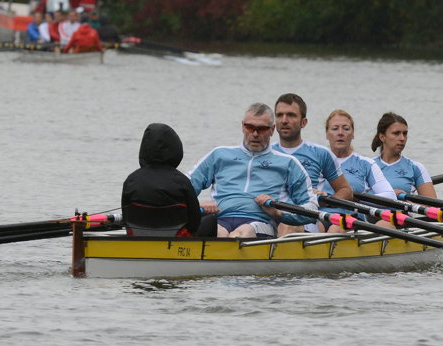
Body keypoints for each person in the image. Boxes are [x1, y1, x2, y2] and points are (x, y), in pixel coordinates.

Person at [189, 103, 317, 238]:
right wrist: (199, 208)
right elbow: (183, 188)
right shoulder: (219, 154)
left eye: (261, 129)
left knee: (242, 234)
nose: (255, 134)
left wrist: (277, 213)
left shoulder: (288, 163)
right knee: (217, 232)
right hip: (221, 219)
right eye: (250, 127)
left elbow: (311, 208)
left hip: (260, 223)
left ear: (272, 130)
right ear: (242, 126)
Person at [270, 93, 353, 235]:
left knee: (287, 225)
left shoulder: (321, 153)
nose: (284, 120)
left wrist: (327, 201)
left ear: (304, 122)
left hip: (302, 218)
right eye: (279, 115)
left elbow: (346, 191)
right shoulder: (264, 153)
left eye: (291, 115)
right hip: (269, 215)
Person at [319, 110, 395, 232]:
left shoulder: (366, 164)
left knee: (335, 228)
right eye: (334, 129)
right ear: (327, 134)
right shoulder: (315, 163)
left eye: (346, 128)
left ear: (353, 134)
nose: (340, 133)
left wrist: (354, 197)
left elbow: (390, 196)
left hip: (351, 219)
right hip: (320, 217)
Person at [120, 123, 202, 236]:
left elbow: (126, 217)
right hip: (177, 240)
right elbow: (195, 223)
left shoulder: (131, 180)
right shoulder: (182, 182)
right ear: (175, 148)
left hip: (138, 240)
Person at [371, 112, 436, 198]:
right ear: (382, 137)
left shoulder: (416, 168)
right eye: (396, 133)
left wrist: (406, 201)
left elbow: (432, 206)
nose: (402, 138)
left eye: (405, 133)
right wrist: (389, 195)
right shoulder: (367, 166)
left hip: (403, 210)